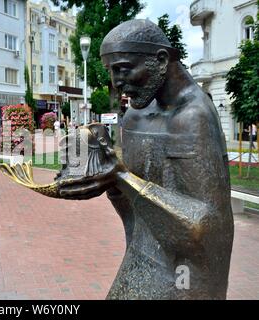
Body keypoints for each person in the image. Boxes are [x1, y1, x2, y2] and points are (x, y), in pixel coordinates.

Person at [52, 20, 234, 299]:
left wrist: (119, 177)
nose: (115, 83)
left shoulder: (193, 117)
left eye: (123, 69)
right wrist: (102, 171)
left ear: (161, 60)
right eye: (111, 71)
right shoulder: (136, 115)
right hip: (142, 255)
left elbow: (205, 227)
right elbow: (135, 215)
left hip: (185, 274)